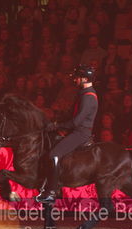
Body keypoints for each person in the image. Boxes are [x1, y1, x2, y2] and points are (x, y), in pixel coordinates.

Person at [35, 65, 98, 203]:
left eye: (77, 77)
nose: (75, 80)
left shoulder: (88, 97)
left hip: (80, 133)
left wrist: (57, 125)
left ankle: (52, 191)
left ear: (85, 79)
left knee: (54, 154)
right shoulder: (83, 93)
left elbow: (76, 122)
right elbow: (72, 115)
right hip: (75, 130)